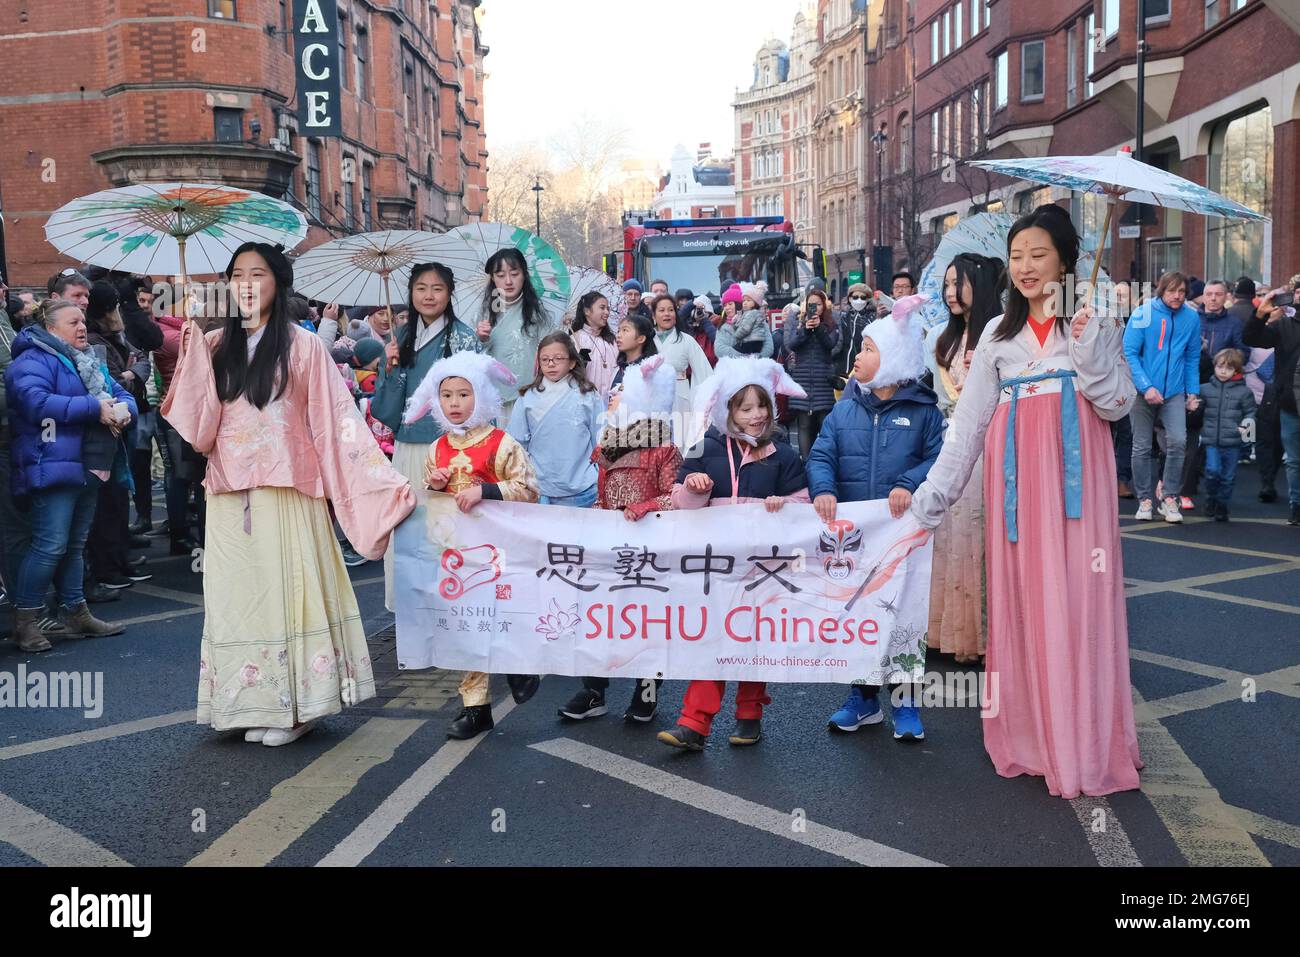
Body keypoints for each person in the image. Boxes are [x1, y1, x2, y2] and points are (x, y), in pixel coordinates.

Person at [910, 203, 1142, 798]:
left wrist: (1090, 347)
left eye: (1039, 255)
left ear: (1066, 260)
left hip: (1077, 487)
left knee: (1078, 604)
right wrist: (932, 498)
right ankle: (1034, 738)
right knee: (1024, 604)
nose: (1026, 267)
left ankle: (1085, 744)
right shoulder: (995, 334)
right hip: (1014, 487)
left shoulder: (1096, 319)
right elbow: (968, 425)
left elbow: (1117, 405)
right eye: (1017, 256)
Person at [161, 242, 415, 746]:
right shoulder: (213, 347)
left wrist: (377, 484)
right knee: (236, 599)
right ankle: (245, 702)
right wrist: (191, 357)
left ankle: (299, 706)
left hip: (287, 487)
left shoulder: (303, 346)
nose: (247, 283)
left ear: (279, 282)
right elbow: (199, 432)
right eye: (237, 274)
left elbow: (334, 422)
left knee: (286, 596)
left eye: (259, 273)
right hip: (228, 489)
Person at [808, 295, 944, 741]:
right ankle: (863, 700)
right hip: (855, 539)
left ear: (894, 361)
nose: (858, 357)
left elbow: (939, 459)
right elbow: (822, 455)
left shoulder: (924, 412)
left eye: (868, 349)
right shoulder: (844, 409)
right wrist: (824, 489)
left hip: (903, 539)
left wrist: (908, 482)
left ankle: (905, 703)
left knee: (903, 616)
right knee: (860, 616)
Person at [656, 358, 809, 751]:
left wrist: (784, 506)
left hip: (762, 569)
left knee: (754, 639)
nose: (757, 415)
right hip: (715, 568)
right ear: (728, 411)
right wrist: (694, 488)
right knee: (712, 640)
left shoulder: (785, 456)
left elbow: (802, 509)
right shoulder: (703, 447)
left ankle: (749, 714)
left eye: (763, 406)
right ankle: (694, 723)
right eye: (746, 408)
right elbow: (679, 503)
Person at [406, 350, 542, 738]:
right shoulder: (436, 449)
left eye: (463, 394)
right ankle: (475, 706)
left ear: (480, 396)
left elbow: (530, 488)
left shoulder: (502, 443)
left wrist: (486, 490)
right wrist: (434, 486)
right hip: (455, 556)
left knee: (501, 615)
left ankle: (520, 667)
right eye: (447, 395)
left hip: (501, 551)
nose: (455, 403)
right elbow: (431, 502)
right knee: (466, 627)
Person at [6, 298, 135, 653]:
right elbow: (36, 402)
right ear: (50, 329)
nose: (82, 327)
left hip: (88, 462)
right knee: (49, 545)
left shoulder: (87, 359)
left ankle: (76, 611)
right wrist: (95, 408)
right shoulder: (30, 361)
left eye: (82, 321)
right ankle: (26, 620)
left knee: (75, 545)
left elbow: (120, 392)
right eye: (73, 322)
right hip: (53, 463)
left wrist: (125, 410)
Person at [557, 357, 680, 723]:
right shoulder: (608, 446)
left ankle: (647, 689)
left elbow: (675, 497)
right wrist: (593, 519)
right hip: (609, 550)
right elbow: (601, 495)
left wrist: (645, 506)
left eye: (622, 392)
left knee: (645, 619)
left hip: (648, 553)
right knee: (600, 617)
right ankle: (594, 691)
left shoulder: (664, 449)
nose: (613, 397)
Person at [370, 262, 481, 610]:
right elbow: (387, 410)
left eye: (437, 288)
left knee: (448, 533)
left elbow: (475, 399)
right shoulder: (399, 339)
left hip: (453, 450)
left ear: (449, 294)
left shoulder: (464, 339)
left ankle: (451, 612)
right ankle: (409, 612)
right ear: (411, 293)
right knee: (408, 530)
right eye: (421, 288)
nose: (429, 295)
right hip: (408, 448)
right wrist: (387, 367)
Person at [923, 254, 1004, 663]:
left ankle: (986, 634)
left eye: (960, 283)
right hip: (949, 442)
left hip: (992, 445)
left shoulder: (1002, 335)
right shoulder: (943, 338)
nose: (950, 292)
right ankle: (946, 630)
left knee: (982, 536)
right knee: (950, 534)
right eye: (948, 283)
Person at [83, 282, 152, 592]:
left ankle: (118, 557)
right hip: (103, 431)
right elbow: (107, 383)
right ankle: (107, 566)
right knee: (107, 501)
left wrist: (130, 374)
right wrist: (126, 374)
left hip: (122, 423)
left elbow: (141, 360)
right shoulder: (94, 341)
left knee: (120, 494)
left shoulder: (114, 335)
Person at [1123, 271, 1201, 523]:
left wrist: (1193, 393)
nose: (1177, 296)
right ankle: (1145, 499)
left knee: (1178, 442)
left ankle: (1169, 498)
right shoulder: (1144, 313)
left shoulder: (1191, 317)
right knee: (1142, 446)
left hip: (1175, 391)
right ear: (1162, 291)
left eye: (1181, 291)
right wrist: (1146, 387)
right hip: (1142, 392)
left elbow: (1192, 358)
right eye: (1172, 291)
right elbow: (1130, 353)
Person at [507, 332, 604, 507]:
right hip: (539, 486)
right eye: (545, 359)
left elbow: (601, 438)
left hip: (582, 487)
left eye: (558, 358)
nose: (551, 364)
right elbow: (516, 442)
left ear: (572, 362)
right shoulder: (527, 396)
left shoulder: (588, 395)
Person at [476, 248, 557, 421]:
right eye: (500, 275)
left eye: (514, 273)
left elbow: (552, 350)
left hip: (531, 395)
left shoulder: (537, 313)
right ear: (492, 278)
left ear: (524, 275)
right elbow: (471, 359)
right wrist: (481, 339)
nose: (508, 281)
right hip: (493, 398)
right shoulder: (482, 313)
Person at [1243, 284, 1300, 524]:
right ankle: (1296, 505)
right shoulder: (1285, 325)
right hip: (1290, 403)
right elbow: (1252, 338)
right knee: (1295, 460)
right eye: (1298, 291)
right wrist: (1260, 313)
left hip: (1287, 400)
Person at [647, 291, 713, 449]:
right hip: (652, 397)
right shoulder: (646, 340)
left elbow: (704, 372)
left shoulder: (686, 340)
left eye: (671, 310)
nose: (667, 314)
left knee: (679, 442)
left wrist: (705, 403)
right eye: (661, 310)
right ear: (654, 316)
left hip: (680, 397)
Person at [1199, 348, 1257, 522]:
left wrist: (1244, 427)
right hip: (1211, 440)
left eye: (1229, 368)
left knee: (1228, 478)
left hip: (1233, 441)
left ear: (1236, 371)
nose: (1223, 371)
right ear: (1214, 366)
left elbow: (1251, 413)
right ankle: (1211, 498)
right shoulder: (1205, 389)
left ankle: (1222, 504)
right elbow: (1197, 410)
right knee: (1212, 471)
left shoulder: (1244, 392)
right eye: (1220, 367)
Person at [785, 287, 841, 459]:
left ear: (824, 305)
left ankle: (825, 463)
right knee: (804, 425)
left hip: (823, 382)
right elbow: (791, 344)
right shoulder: (797, 321)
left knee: (825, 425)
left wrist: (818, 329)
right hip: (802, 382)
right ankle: (806, 463)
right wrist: (805, 330)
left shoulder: (831, 322)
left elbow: (831, 344)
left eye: (817, 304)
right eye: (811, 305)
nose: (814, 308)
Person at [570, 291, 619, 403]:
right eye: (602, 308)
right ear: (587, 311)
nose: (606, 312)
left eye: (608, 308)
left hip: (612, 404)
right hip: (585, 401)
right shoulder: (575, 340)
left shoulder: (614, 341)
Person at [714, 283, 774, 359]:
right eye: (725, 305)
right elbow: (719, 350)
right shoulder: (722, 327)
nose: (727, 308)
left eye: (730, 304)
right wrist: (745, 358)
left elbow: (768, 346)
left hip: (758, 366)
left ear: (739, 304)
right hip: (733, 368)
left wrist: (757, 358)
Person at [833, 282, 874, 391]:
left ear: (868, 299)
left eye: (862, 297)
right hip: (842, 370)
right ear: (849, 298)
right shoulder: (842, 317)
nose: (859, 300)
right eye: (855, 297)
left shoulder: (872, 319)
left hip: (863, 370)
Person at [610, 311, 658, 394]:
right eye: (618, 331)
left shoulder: (649, 371)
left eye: (625, 330)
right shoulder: (618, 369)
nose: (618, 335)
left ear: (641, 339)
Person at [682, 295, 718, 366]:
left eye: (703, 311)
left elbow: (718, 340)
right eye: (698, 310)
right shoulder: (689, 328)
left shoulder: (718, 324)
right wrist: (691, 304)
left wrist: (704, 321)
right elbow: (676, 320)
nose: (700, 313)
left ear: (710, 313)